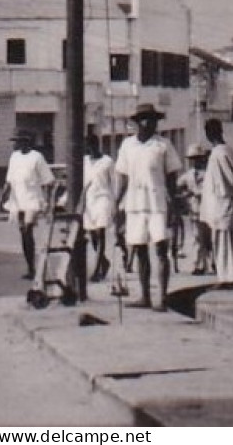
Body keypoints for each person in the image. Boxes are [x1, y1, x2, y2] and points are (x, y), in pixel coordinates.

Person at [115, 102, 182, 311]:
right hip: (135, 204)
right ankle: (145, 296)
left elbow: (172, 178)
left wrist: (174, 206)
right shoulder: (127, 146)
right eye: (143, 119)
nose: (147, 123)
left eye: (151, 119)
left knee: (161, 249)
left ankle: (161, 297)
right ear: (136, 123)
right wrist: (116, 204)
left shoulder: (163, 145)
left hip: (157, 203)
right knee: (139, 249)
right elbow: (123, 178)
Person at [1, 129, 54, 280]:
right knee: (23, 234)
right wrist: (3, 195)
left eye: (18, 141)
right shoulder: (14, 157)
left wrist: (49, 203)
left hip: (32, 199)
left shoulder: (37, 157)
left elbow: (48, 181)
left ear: (26, 141)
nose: (16, 144)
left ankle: (32, 266)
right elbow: (9, 180)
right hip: (18, 200)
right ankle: (30, 266)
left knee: (27, 228)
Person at [200, 118, 233, 289]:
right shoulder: (227, 151)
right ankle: (227, 276)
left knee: (222, 241)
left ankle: (226, 278)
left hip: (222, 202)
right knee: (225, 241)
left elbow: (231, 180)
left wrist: (228, 194)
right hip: (221, 202)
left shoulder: (219, 153)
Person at [82, 134, 116, 282]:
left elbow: (114, 183)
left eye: (92, 145)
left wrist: (116, 204)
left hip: (104, 199)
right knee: (92, 235)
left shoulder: (107, 161)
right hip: (89, 201)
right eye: (87, 146)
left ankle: (97, 270)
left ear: (97, 145)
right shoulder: (85, 162)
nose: (90, 149)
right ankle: (104, 261)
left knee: (100, 232)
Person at [177, 143, 213, 275]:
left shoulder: (209, 174)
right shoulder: (188, 175)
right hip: (194, 210)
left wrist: (193, 192)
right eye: (193, 159)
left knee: (209, 238)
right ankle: (198, 265)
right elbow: (178, 185)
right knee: (197, 237)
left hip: (208, 209)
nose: (195, 161)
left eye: (198, 158)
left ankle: (213, 262)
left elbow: (209, 190)